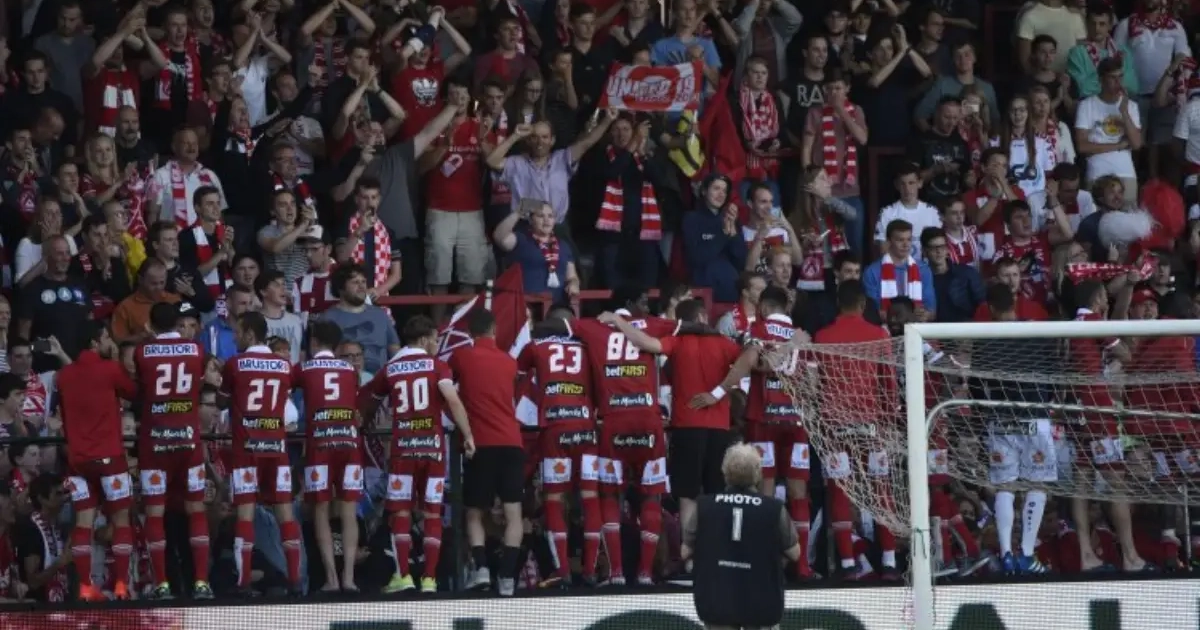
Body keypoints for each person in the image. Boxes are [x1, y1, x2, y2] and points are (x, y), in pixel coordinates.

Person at [601, 299, 742, 579]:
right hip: (719, 429)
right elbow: (747, 362)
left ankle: (689, 562)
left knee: (687, 496)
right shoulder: (725, 343)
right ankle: (715, 558)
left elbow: (646, 343)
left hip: (686, 427)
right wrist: (719, 392)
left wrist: (619, 322)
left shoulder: (678, 341)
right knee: (715, 497)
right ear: (703, 316)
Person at [564, 287, 680, 585]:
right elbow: (689, 325)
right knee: (651, 495)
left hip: (614, 422)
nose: (646, 307)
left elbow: (558, 323)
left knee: (610, 495)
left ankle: (615, 573)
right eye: (642, 302)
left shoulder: (593, 327)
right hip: (649, 423)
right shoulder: (652, 324)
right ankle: (645, 573)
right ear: (629, 304)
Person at [361, 315, 475, 594]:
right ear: (424, 340)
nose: (436, 345)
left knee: (400, 510)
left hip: (403, 451)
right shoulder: (438, 366)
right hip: (433, 449)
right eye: (435, 340)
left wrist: (365, 424)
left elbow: (370, 402)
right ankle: (430, 579)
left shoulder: (391, 368)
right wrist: (468, 435)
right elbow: (453, 401)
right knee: (432, 512)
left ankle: (403, 576)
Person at [813, 280, 899, 579]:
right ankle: (889, 561)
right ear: (863, 304)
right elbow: (888, 384)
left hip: (835, 428)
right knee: (880, 489)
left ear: (839, 304)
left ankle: (848, 563)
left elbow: (817, 385)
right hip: (871, 427)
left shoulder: (822, 337)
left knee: (840, 490)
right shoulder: (879, 336)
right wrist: (889, 420)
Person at [516, 305, 601, 586]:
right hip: (586, 428)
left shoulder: (535, 346)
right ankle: (590, 570)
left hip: (555, 427)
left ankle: (562, 570)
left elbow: (517, 377)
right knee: (590, 496)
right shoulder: (588, 346)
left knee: (554, 498)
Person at [219, 311, 303, 595]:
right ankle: (295, 580)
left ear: (250, 334)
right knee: (285, 513)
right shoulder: (284, 365)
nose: (234, 338)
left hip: (247, 449)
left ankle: (243, 583)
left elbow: (222, 400)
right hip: (276, 448)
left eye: (237, 332)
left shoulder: (235, 364)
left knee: (245, 514)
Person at [132, 302, 211, 600]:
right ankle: (201, 582)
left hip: (155, 443)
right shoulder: (196, 350)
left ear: (151, 325)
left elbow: (141, 390)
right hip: (188, 441)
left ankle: (162, 584)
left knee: (155, 512)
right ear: (177, 322)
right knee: (196, 509)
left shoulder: (143, 351)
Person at [56, 322, 137, 600]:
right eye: (106, 338)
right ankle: (121, 585)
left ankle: (85, 587)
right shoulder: (110, 369)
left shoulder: (64, 375)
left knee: (83, 523)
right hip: (110, 458)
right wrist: (117, 360)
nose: (110, 342)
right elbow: (132, 391)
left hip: (78, 461)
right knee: (121, 520)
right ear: (94, 342)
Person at [448, 309, 523, 596]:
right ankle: (507, 578)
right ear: (494, 330)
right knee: (513, 513)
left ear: (470, 333)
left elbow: (446, 389)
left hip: (481, 443)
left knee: (474, 512)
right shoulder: (509, 361)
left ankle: (480, 569)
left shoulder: (462, 357)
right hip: (512, 442)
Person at [684, 444, 800, 630]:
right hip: (761, 599)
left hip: (717, 598)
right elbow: (795, 553)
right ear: (758, 473)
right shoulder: (774, 509)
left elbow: (685, 551)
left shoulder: (704, 505)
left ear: (724, 472)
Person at [293, 320, 363, 593]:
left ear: (313, 343)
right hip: (348, 442)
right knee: (348, 510)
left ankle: (331, 579)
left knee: (320, 509)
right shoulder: (350, 370)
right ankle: (350, 578)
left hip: (320, 444)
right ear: (337, 345)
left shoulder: (305, 368)